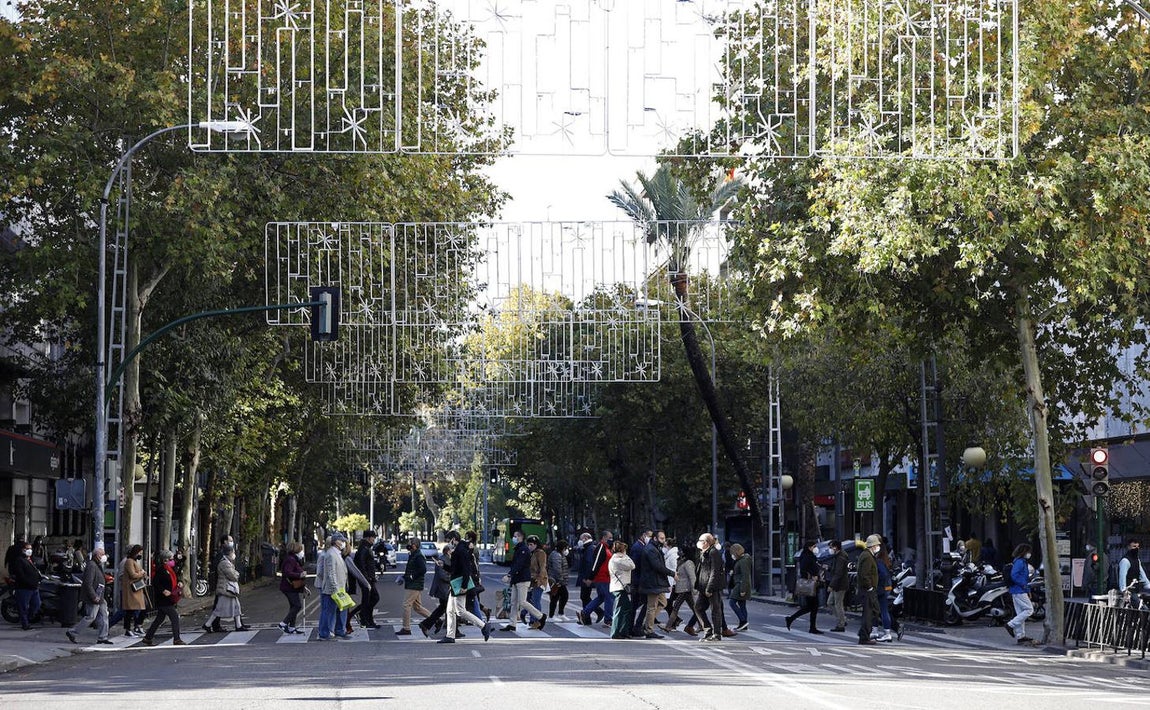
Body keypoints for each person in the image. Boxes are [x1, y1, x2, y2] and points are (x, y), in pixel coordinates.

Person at [440, 531, 495, 644]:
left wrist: (464, 586)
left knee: (460, 611)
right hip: (456, 584)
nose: (449, 543)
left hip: (459, 584)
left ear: (455, 539)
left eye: (450, 540)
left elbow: (466, 570)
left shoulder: (460, 551)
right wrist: (444, 566)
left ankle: (484, 626)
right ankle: (450, 635)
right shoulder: (460, 550)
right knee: (450, 610)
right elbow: (455, 569)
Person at [501, 531, 546, 631]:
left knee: (522, 602)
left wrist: (509, 575)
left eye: (516, 536)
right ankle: (512, 624)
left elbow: (519, 565)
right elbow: (515, 564)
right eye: (514, 536)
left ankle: (541, 616)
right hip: (517, 579)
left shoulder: (523, 550)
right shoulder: (519, 549)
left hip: (522, 579)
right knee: (514, 602)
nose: (514, 538)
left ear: (521, 537)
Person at [66, 547, 111, 645]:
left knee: (104, 616)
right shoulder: (91, 565)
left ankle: (103, 637)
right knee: (90, 617)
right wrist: (93, 596)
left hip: (100, 595)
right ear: (96, 555)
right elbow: (87, 583)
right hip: (95, 596)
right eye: (101, 554)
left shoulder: (97, 565)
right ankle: (72, 632)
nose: (103, 556)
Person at [141, 549, 185, 645]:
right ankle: (176, 639)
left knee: (159, 619)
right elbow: (156, 582)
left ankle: (148, 637)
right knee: (174, 617)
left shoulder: (170, 570)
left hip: (169, 597)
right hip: (163, 599)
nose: (172, 561)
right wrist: (163, 590)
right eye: (171, 559)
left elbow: (173, 579)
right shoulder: (161, 570)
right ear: (165, 560)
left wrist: (179, 583)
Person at [202, 544, 249, 632]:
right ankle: (207, 624)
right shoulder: (224, 563)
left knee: (236, 607)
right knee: (219, 609)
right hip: (225, 590)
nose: (234, 554)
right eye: (233, 552)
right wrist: (237, 574)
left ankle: (238, 625)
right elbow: (233, 576)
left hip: (228, 589)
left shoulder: (227, 562)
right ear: (230, 553)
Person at [638, 531, 673, 638]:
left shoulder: (655, 548)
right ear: (655, 538)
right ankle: (648, 629)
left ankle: (648, 624)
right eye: (661, 538)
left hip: (656, 582)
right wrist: (671, 573)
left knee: (663, 602)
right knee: (651, 606)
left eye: (664, 538)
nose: (664, 541)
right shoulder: (651, 549)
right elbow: (657, 566)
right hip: (652, 582)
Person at [785, 539, 823, 635]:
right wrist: (811, 576)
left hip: (813, 584)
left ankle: (792, 619)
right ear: (809, 547)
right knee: (813, 606)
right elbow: (804, 570)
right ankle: (811, 627)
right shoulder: (807, 557)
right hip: (810, 584)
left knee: (811, 607)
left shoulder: (809, 556)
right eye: (814, 546)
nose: (815, 548)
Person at [577, 530, 614, 627]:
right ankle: (608, 619)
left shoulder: (606, 548)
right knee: (609, 598)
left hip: (605, 577)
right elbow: (595, 564)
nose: (611, 540)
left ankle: (585, 613)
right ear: (604, 538)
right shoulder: (601, 547)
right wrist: (590, 577)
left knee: (601, 597)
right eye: (609, 538)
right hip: (602, 577)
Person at [694, 532, 726, 642]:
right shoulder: (704, 552)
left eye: (700, 541)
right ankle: (708, 630)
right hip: (703, 586)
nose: (698, 543)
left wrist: (709, 588)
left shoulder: (713, 553)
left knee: (715, 610)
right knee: (698, 608)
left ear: (706, 542)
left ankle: (716, 634)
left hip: (711, 587)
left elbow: (714, 572)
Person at [317, 533, 350, 640]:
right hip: (332, 589)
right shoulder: (331, 554)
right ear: (336, 542)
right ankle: (324, 633)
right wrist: (335, 588)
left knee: (341, 610)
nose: (343, 543)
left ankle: (339, 630)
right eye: (341, 541)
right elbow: (331, 573)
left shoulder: (337, 553)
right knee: (328, 611)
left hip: (340, 587)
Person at [398, 538, 431, 635]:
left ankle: (406, 628)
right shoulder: (413, 555)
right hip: (413, 583)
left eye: (409, 543)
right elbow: (411, 569)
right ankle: (435, 619)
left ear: (414, 545)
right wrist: (404, 577)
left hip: (414, 584)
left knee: (406, 605)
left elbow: (423, 569)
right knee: (417, 607)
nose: (407, 545)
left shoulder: (418, 556)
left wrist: (412, 576)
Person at [663, 546, 697, 633]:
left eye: (682, 551)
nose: (680, 552)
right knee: (695, 609)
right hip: (682, 588)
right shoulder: (682, 561)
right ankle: (703, 626)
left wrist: (694, 589)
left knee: (676, 608)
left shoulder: (689, 563)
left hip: (685, 589)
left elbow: (692, 577)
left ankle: (668, 626)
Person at [8, 541, 42, 630]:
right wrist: (29, 582)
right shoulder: (19, 560)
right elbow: (21, 575)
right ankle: (25, 624)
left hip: (34, 588)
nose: (29, 550)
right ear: (22, 550)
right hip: (24, 588)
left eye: (30, 548)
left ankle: (28, 618)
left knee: (36, 605)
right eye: (27, 549)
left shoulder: (30, 560)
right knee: (23, 607)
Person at [1006, 543, 1034, 644]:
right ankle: (1011, 624)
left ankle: (1020, 636)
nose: (1030, 554)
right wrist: (1024, 586)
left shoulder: (1019, 561)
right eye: (1028, 552)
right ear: (1024, 552)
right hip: (1019, 590)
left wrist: (1027, 590)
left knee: (1020, 612)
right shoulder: (1020, 562)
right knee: (1029, 610)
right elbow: (1015, 576)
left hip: (1017, 590)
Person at [419, 549, 452, 637]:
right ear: (448, 551)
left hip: (445, 588)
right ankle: (452, 630)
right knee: (448, 608)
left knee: (443, 608)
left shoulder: (447, 559)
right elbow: (443, 575)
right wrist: (452, 578)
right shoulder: (443, 559)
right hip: (443, 589)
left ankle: (427, 624)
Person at [117, 544, 147, 637]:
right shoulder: (129, 561)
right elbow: (133, 575)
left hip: (137, 589)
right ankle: (129, 629)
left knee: (141, 608)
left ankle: (136, 626)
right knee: (130, 610)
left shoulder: (134, 561)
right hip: (131, 589)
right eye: (140, 553)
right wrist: (141, 573)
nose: (140, 555)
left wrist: (143, 574)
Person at [343, 535, 371, 634]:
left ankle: (345, 625)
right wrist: (366, 583)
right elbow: (356, 572)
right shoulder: (346, 558)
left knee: (343, 607)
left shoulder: (342, 557)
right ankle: (346, 626)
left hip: (344, 585)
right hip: (345, 585)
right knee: (344, 607)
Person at [353, 530, 381, 629]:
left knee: (372, 598)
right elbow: (361, 565)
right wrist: (367, 578)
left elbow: (368, 564)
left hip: (369, 578)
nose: (374, 539)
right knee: (370, 599)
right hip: (366, 579)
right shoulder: (363, 548)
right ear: (368, 538)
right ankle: (364, 618)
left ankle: (366, 618)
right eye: (373, 537)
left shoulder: (367, 548)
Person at [856, 534, 881, 645]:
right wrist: (870, 587)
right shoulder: (867, 556)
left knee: (873, 611)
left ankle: (863, 633)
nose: (877, 547)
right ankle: (864, 636)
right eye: (876, 545)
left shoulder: (866, 555)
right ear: (873, 546)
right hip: (867, 590)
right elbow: (864, 574)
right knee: (869, 613)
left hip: (866, 589)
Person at [608, 540, 635, 639]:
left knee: (626, 608)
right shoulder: (618, 560)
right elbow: (632, 565)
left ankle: (623, 630)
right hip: (619, 587)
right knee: (619, 610)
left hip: (620, 587)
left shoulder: (616, 559)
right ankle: (615, 632)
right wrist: (625, 556)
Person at [278, 541, 307, 634]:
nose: (302, 552)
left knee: (293, 606)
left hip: (292, 587)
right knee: (297, 606)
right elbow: (287, 572)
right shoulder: (291, 559)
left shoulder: (292, 559)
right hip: (289, 587)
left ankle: (291, 627)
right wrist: (300, 575)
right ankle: (284, 623)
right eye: (301, 550)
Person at [825, 539, 849, 633]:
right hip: (837, 584)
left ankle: (841, 624)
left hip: (840, 585)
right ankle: (842, 619)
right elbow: (836, 570)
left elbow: (838, 573)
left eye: (831, 547)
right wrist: (829, 568)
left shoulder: (840, 557)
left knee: (838, 604)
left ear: (835, 547)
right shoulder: (837, 556)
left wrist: (831, 585)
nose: (830, 549)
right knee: (830, 602)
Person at [525, 536, 549, 628]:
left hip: (539, 580)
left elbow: (543, 567)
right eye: (528, 544)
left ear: (536, 544)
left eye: (531, 544)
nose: (529, 546)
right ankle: (532, 620)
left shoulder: (540, 553)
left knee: (536, 601)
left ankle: (537, 620)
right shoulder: (532, 553)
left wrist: (540, 579)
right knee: (529, 600)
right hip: (532, 580)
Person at [728, 543, 752, 632]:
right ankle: (743, 625)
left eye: (732, 553)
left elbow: (745, 576)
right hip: (741, 584)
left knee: (732, 602)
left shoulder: (743, 561)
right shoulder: (743, 560)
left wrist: (743, 589)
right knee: (742, 605)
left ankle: (743, 621)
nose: (732, 555)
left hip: (740, 584)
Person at [575, 532, 597, 620]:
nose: (580, 541)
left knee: (584, 596)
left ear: (586, 538)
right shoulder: (587, 547)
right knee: (585, 596)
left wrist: (588, 578)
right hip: (585, 576)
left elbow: (589, 564)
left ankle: (587, 617)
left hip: (586, 577)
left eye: (581, 539)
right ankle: (587, 617)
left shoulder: (590, 548)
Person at [547, 539, 570, 620]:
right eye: (566, 548)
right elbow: (557, 569)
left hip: (557, 580)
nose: (567, 550)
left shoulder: (559, 554)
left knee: (556, 597)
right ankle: (555, 615)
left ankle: (557, 614)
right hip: (556, 580)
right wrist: (560, 580)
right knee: (562, 596)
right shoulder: (557, 555)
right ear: (563, 548)